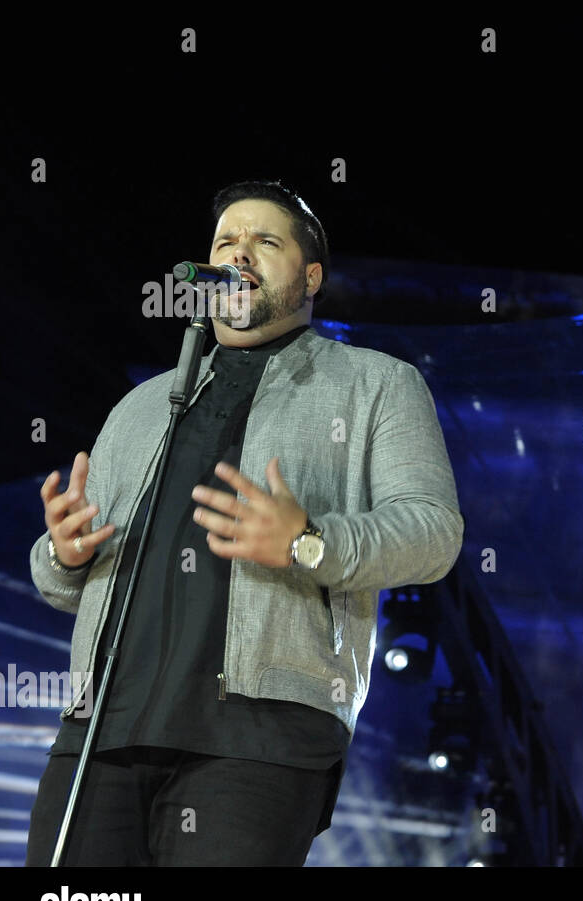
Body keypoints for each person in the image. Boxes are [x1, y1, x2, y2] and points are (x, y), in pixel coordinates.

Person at [25, 180, 463, 865]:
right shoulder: (141, 406)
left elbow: (434, 532)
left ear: (311, 276)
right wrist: (64, 555)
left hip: (260, 738)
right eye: (226, 242)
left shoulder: (378, 384)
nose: (240, 253)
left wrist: (309, 542)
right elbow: (60, 579)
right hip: (101, 735)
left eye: (266, 241)